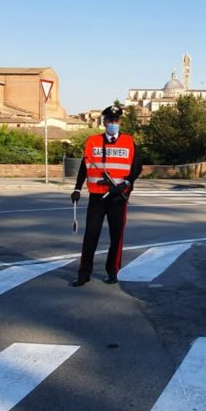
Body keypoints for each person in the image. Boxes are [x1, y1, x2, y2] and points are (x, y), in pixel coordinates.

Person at [70, 105, 142, 287]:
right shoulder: (92, 141)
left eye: (116, 120)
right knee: (90, 235)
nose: (113, 123)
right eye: (109, 120)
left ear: (120, 122)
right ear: (104, 122)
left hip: (118, 197)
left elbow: (137, 167)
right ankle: (84, 274)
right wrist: (77, 189)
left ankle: (113, 271)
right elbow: (84, 167)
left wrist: (127, 184)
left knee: (116, 236)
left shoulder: (129, 141)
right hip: (97, 197)